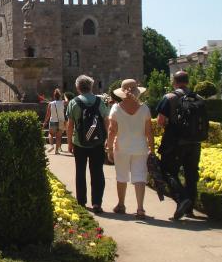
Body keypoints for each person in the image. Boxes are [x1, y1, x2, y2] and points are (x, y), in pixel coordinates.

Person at [156, 71, 205, 220]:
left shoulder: (169, 97)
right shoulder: (199, 98)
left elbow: (160, 120)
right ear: (188, 82)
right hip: (195, 142)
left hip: (175, 141)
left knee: (168, 170)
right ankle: (189, 209)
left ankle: (182, 199)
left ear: (174, 82)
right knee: (191, 174)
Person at [107, 79, 155, 219]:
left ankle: (121, 205)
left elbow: (111, 131)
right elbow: (149, 132)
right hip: (140, 147)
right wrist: (151, 149)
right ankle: (140, 208)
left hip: (121, 147)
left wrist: (109, 148)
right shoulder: (144, 108)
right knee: (140, 177)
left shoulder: (116, 108)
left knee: (121, 177)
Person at [67, 75, 109, 213]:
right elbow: (106, 121)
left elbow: (70, 125)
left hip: (79, 142)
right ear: (91, 86)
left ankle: (81, 202)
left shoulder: (73, 102)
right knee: (97, 172)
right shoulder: (99, 101)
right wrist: (107, 138)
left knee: (80, 172)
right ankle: (97, 203)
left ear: (78, 87)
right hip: (97, 142)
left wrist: (69, 143)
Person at [44, 89, 66, 154]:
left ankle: (51, 145)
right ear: (60, 96)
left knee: (50, 134)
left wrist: (45, 122)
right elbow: (68, 100)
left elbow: (48, 114)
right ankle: (56, 151)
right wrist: (65, 96)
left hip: (53, 120)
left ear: (54, 96)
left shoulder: (51, 104)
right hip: (61, 121)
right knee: (58, 137)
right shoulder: (63, 102)